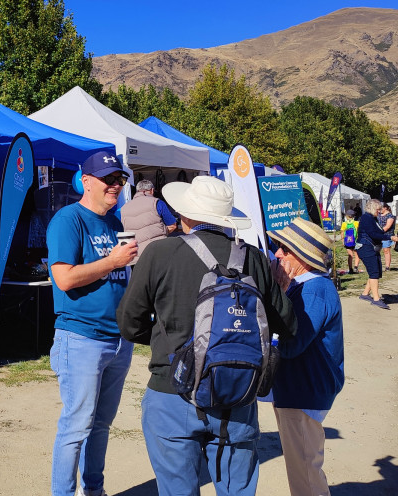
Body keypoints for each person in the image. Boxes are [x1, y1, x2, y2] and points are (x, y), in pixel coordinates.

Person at [117, 175, 297, 496]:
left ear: (186, 214)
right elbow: (286, 325)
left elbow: (129, 323)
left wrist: (163, 341)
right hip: (238, 393)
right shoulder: (253, 258)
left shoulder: (159, 254)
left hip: (171, 390)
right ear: (225, 219)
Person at [45, 150, 137, 496]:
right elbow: (64, 279)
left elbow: (119, 277)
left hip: (118, 341)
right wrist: (113, 262)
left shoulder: (115, 223)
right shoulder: (68, 220)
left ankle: (93, 490)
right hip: (82, 338)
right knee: (76, 426)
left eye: (120, 179)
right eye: (108, 179)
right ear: (86, 181)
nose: (116, 185)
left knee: (101, 425)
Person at [267, 217, 345, 496]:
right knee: (303, 468)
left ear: (301, 256)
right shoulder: (309, 286)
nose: (277, 254)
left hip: (304, 390)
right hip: (302, 388)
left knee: (305, 475)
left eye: (283, 249)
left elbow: (290, 344)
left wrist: (280, 291)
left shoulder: (312, 290)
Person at [356, 199, 397, 310]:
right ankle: (376, 299)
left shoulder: (373, 218)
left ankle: (365, 294)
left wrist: (390, 234)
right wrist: (389, 237)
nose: (379, 212)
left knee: (376, 271)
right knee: (374, 272)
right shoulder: (366, 218)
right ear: (373, 208)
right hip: (365, 247)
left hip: (372, 248)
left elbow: (379, 232)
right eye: (378, 209)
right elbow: (373, 234)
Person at [121, 179, 176, 259]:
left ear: (137, 191)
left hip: (133, 256)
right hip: (156, 253)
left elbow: (122, 232)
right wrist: (161, 231)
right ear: (152, 190)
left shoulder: (123, 208)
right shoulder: (157, 203)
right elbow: (173, 225)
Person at [340, 209, 360, 275]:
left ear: (347, 216)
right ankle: (356, 267)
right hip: (355, 240)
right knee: (356, 254)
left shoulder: (344, 224)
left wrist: (342, 241)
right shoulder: (356, 223)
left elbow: (342, 233)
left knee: (350, 255)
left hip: (347, 241)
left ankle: (350, 268)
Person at [378, 204, 396, 270]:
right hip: (378, 235)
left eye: (380, 208)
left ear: (385, 208)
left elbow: (388, 226)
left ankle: (387, 266)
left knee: (386, 250)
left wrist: (380, 231)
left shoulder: (390, 216)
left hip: (387, 235)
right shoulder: (378, 215)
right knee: (377, 250)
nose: (379, 210)